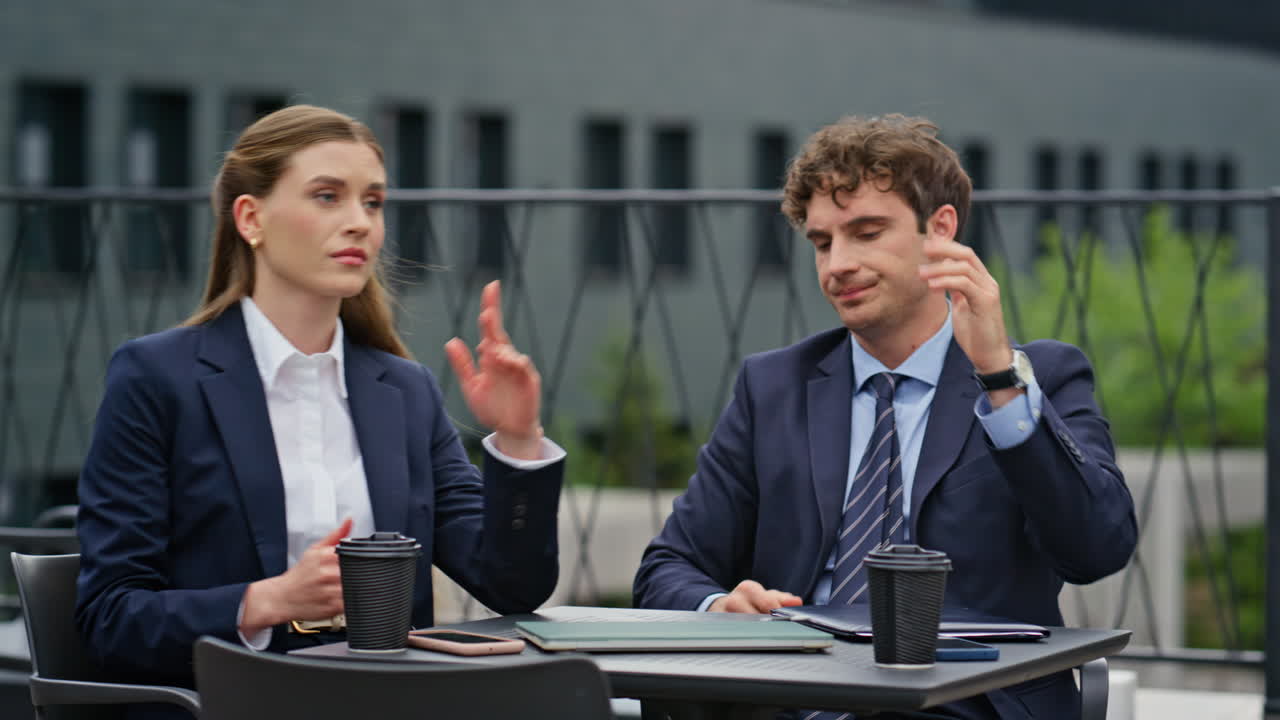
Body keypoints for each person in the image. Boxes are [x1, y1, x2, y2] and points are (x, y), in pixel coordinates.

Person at [633, 114, 1136, 720]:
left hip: (963, 703)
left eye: (866, 233)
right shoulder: (772, 387)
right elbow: (668, 568)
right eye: (823, 243)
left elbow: (1096, 550)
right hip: (790, 698)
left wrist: (999, 379)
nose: (837, 265)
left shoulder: (1040, 376)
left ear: (940, 230)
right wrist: (720, 608)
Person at [75, 105, 564, 712]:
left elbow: (512, 586)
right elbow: (110, 619)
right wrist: (268, 600)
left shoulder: (405, 392)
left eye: (373, 202)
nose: (359, 222)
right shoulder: (157, 378)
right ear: (251, 218)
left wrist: (518, 439)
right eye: (327, 196)